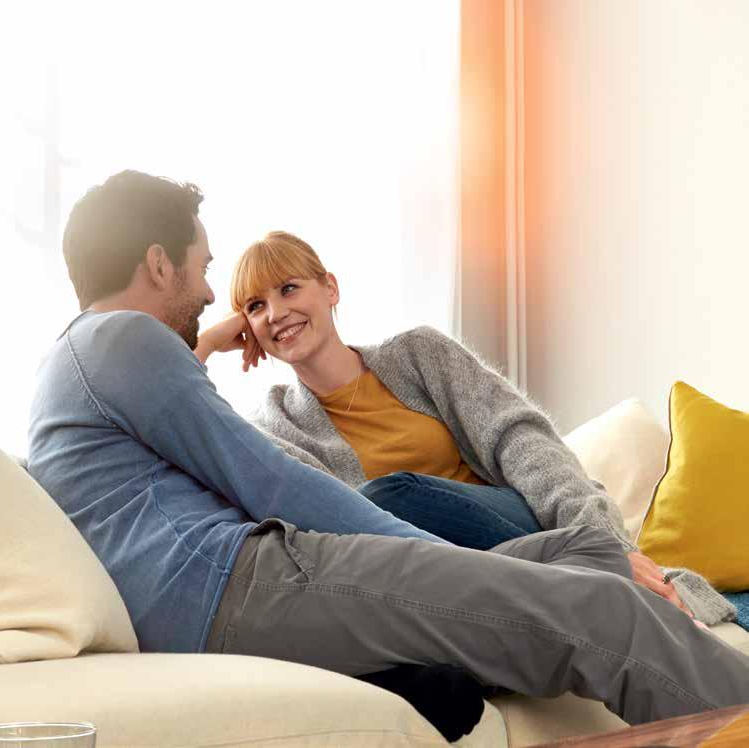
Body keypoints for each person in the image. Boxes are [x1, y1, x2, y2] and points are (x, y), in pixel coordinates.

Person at [28, 170, 749, 731]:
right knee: (603, 608)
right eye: (204, 267)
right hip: (243, 582)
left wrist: (202, 344)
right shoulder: (122, 341)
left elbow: (519, 440)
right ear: (160, 265)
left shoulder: (88, 358)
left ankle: (492, 639)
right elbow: (272, 481)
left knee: (590, 555)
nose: (211, 293)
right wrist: (453, 567)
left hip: (243, 584)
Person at [227, 230, 734, 627]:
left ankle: (591, 572)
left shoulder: (418, 354)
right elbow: (326, 529)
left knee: (392, 497)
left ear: (330, 288)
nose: (276, 313)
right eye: (255, 306)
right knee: (376, 518)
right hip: (446, 578)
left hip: (513, 523)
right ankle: (572, 591)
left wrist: (609, 546)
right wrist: (203, 347)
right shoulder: (275, 426)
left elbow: (524, 442)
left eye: (289, 288)